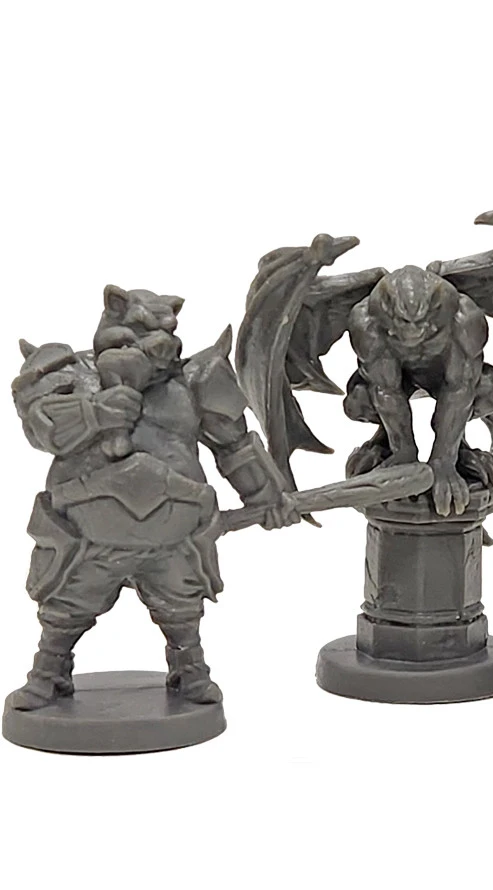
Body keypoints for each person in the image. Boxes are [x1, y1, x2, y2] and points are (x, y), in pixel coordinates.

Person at [9, 285, 298, 710]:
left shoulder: (195, 381)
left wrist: (268, 497)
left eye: (165, 332)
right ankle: (48, 673)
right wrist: (94, 414)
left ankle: (190, 669)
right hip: (87, 534)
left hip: (174, 532)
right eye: (140, 331)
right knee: (66, 608)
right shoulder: (71, 376)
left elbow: (233, 448)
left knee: (181, 608)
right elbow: (42, 429)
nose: (155, 344)